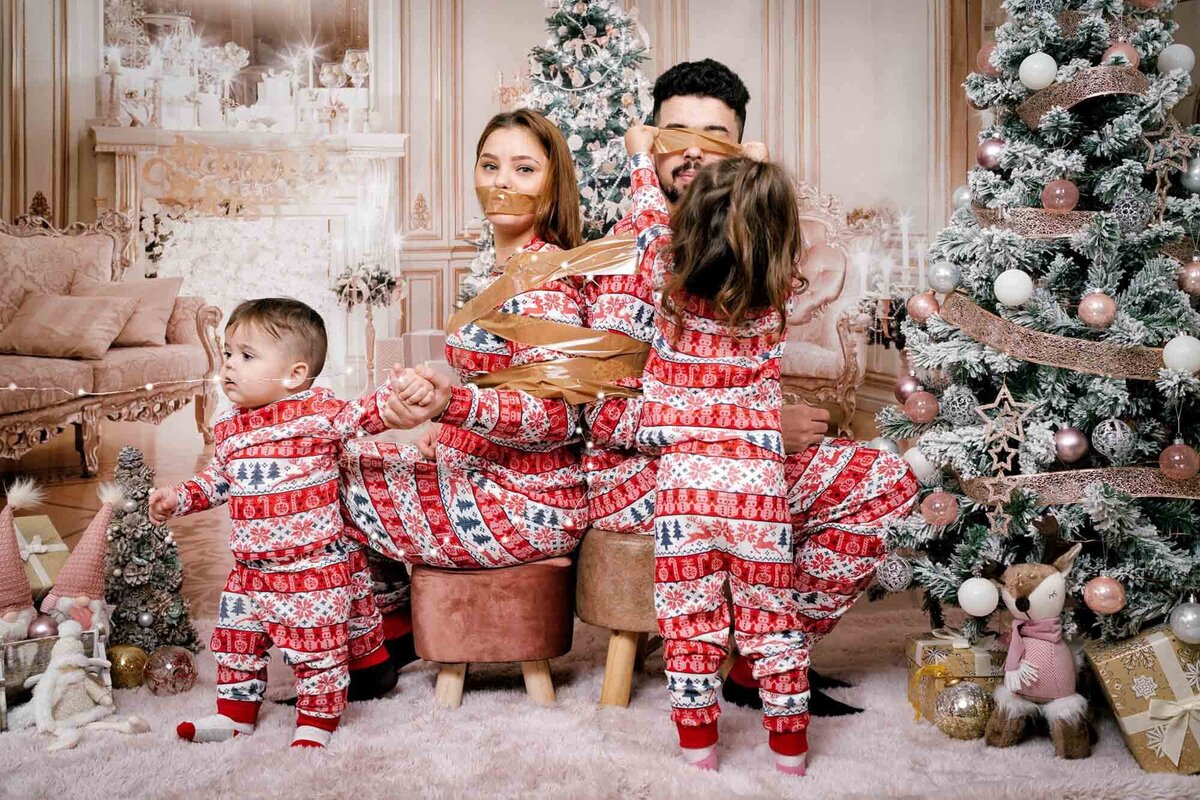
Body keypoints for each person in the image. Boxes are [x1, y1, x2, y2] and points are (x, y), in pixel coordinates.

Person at [582, 58, 919, 719]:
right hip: (643, 479)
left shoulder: (752, 245)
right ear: (650, 141)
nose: (692, 153)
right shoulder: (630, 254)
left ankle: (759, 655)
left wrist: (757, 420)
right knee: (861, 477)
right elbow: (604, 420)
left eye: (714, 136)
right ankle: (761, 656)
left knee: (886, 478)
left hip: (731, 461)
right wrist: (760, 430)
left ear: (739, 147)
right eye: (674, 134)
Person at [338, 109, 587, 661]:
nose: (501, 181)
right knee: (345, 455)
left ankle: (379, 642)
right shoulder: (507, 271)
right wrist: (449, 426)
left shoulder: (542, 284)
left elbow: (559, 420)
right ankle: (391, 630)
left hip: (530, 506)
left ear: (552, 185)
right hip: (491, 476)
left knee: (322, 476)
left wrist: (454, 403)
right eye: (489, 164)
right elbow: (496, 386)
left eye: (524, 169)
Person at [624, 123, 811, 774]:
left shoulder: (666, 278)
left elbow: (649, 219)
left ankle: (699, 747)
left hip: (684, 487)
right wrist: (759, 163)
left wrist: (642, 159)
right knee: (771, 619)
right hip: (757, 487)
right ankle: (788, 753)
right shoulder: (779, 285)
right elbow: (774, 224)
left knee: (689, 617)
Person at [148, 298, 414, 749]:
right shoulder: (231, 428)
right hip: (251, 570)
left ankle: (317, 719)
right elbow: (219, 482)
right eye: (228, 352)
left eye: (246, 356)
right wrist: (179, 498)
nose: (229, 365)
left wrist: (398, 397)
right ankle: (233, 716)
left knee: (318, 649)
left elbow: (362, 414)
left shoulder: (317, 412)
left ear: (294, 374)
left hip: (310, 570)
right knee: (235, 643)